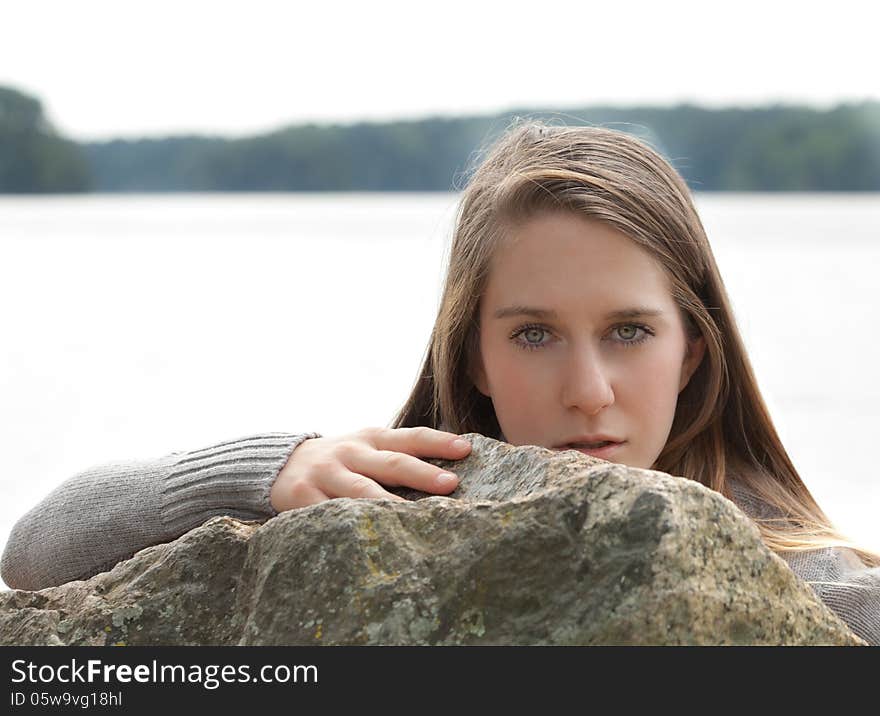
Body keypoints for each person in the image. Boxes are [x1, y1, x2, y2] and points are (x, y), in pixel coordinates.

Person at [3, 119, 879, 645]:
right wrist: (268, 467)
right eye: (533, 333)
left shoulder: (802, 571)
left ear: (692, 349)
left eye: (628, 332)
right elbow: (36, 552)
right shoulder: (390, 503)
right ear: (470, 355)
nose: (588, 390)